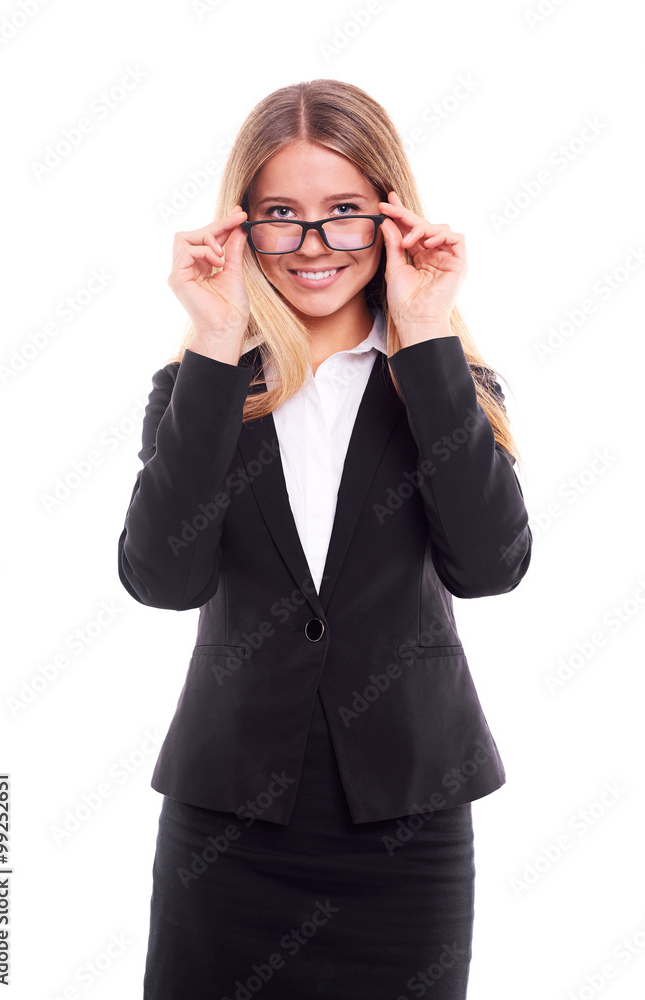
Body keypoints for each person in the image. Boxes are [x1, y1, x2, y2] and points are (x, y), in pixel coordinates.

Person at [117, 78, 532, 1000]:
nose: (314, 246)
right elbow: (163, 579)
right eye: (281, 214)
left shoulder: (448, 380)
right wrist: (217, 338)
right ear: (241, 226)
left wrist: (422, 334)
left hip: (407, 832)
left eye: (344, 212)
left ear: (391, 219)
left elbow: (491, 566)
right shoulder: (203, 384)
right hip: (226, 829)